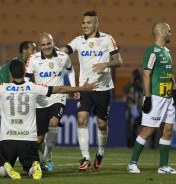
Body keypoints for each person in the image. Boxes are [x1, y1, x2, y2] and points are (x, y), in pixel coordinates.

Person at [0, 59, 97, 179]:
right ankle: (33, 168)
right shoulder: (33, 87)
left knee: (0, 170)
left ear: (10, 73)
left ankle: (6, 166)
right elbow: (60, 89)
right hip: (28, 139)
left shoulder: (3, 88)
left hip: (8, 138)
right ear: (24, 72)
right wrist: (82, 88)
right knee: (29, 167)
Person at [60, 11, 123, 171]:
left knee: (102, 124)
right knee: (82, 120)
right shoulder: (78, 41)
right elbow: (66, 49)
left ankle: (100, 152)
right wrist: (59, 51)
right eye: (83, 22)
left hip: (103, 89)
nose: (85, 25)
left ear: (96, 24)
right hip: (85, 88)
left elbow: (119, 60)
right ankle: (85, 157)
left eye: (88, 23)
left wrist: (106, 64)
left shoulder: (107, 39)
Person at [127, 22, 176, 174]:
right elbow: (146, 73)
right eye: (169, 31)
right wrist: (148, 97)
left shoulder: (167, 51)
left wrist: (175, 92)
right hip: (156, 97)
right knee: (149, 130)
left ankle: (163, 166)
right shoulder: (152, 51)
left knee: (168, 130)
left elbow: (169, 74)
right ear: (162, 31)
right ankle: (132, 163)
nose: (171, 33)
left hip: (168, 97)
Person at [25, 33, 76, 171]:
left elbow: (70, 70)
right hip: (40, 100)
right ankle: (47, 156)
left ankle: (45, 159)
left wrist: (72, 87)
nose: (46, 47)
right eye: (43, 44)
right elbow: (26, 79)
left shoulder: (63, 56)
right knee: (39, 139)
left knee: (53, 122)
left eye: (49, 43)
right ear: (39, 46)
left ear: (53, 43)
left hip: (58, 97)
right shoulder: (33, 59)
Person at [123, 69, 143, 147]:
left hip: (138, 107)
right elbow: (125, 90)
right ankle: (130, 142)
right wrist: (132, 83)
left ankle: (134, 142)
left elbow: (142, 90)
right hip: (132, 107)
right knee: (131, 126)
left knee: (135, 126)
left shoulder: (141, 84)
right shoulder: (131, 84)